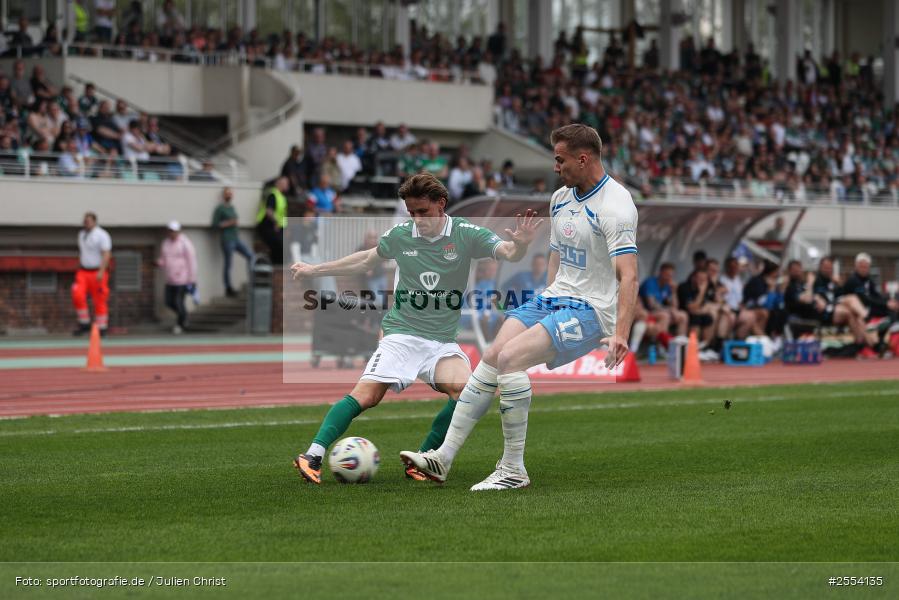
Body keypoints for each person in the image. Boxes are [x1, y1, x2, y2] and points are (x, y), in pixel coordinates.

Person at [401, 123, 638, 491]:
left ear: (583, 157)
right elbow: (558, 257)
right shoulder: (560, 199)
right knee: (493, 354)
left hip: (592, 310)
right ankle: (442, 458)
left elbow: (629, 276)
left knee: (511, 359)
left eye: (560, 160)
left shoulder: (616, 206)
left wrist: (621, 332)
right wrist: (546, 305)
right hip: (555, 297)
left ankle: (513, 470)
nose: (555, 167)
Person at [290, 173, 541, 485]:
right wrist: (315, 270)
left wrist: (519, 245)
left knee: (469, 392)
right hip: (401, 335)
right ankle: (312, 454)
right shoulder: (401, 235)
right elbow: (367, 261)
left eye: (422, 212)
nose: (417, 219)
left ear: (441, 204)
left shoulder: (465, 233)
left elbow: (507, 252)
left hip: (442, 343)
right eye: (411, 212)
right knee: (367, 396)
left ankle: (423, 458)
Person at [72, 212, 112, 336]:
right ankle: (84, 323)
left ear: (94, 221)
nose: (86, 223)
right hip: (83, 271)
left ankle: (102, 327)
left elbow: (106, 254)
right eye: (85, 221)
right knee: (77, 294)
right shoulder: (82, 234)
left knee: (99, 299)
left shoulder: (102, 235)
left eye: (89, 221)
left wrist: (101, 271)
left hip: (97, 272)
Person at [212, 187, 254, 297]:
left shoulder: (232, 207)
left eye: (230, 193)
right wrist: (228, 223)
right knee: (228, 264)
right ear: (223, 195)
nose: (229, 195)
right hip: (227, 239)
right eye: (227, 193)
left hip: (236, 238)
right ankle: (228, 287)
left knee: (250, 256)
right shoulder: (220, 209)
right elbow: (215, 225)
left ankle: (252, 281)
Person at [157, 221, 197, 334]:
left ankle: (180, 324)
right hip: (170, 279)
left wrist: (192, 279)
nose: (172, 233)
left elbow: (191, 261)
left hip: (183, 279)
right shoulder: (165, 243)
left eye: (174, 231)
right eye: (170, 231)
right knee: (169, 301)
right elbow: (164, 259)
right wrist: (158, 263)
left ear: (178, 231)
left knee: (179, 302)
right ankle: (184, 315)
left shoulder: (185, 243)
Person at [255, 177, 288, 264]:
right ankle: (277, 266)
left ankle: (279, 267)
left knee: (283, 244)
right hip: (267, 226)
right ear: (279, 184)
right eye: (285, 183)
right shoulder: (273, 194)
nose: (287, 185)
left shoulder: (281, 196)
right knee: (279, 244)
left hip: (277, 227)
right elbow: (269, 211)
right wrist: (276, 222)